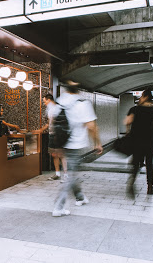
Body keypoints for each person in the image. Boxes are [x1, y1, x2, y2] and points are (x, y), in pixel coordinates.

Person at [51, 81, 103, 217]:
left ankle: (80, 197)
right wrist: (97, 143)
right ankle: (58, 206)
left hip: (63, 142)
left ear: (66, 90)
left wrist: (57, 145)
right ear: (78, 91)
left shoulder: (59, 102)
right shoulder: (82, 103)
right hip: (75, 144)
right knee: (71, 175)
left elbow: (53, 123)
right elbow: (91, 126)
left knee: (72, 172)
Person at [125, 88, 153, 197]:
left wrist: (128, 132)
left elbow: (127, 122)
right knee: (149, 164)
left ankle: (131, 182)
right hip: (150, 142)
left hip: (136, 141)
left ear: (145, 97)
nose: (139, 98)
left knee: (135, 163)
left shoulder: (134, 110)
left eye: (141, 96)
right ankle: (150, 187)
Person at [37, 94, 67, 182]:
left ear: (49, 100)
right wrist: (40, 130)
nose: (44, 103)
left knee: (61, 154)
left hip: (59, 134)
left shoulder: (58, 108)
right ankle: (57, 174)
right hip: (51, 134)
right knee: (54, 154)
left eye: (45, 101)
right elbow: (49, 123)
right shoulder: (49, 110)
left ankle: (66, 175)